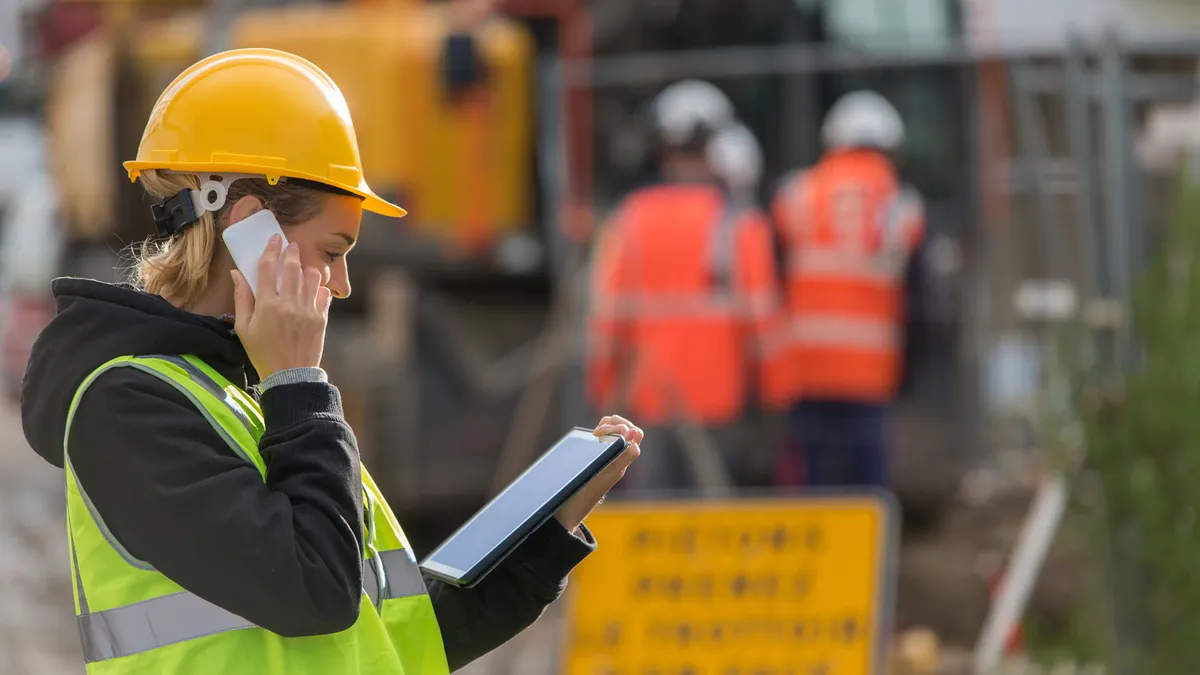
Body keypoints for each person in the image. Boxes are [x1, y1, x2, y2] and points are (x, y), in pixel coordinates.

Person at [19, 48, 643, 675]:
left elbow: (399, 643)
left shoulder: (246, 402)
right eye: (333, 249)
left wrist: (549, 533)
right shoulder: (126, 406)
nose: (343, 283)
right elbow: (319, 590)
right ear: (249, 229)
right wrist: (296, 382)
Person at [586, 81, 786, 492]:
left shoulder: (629, 220)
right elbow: (763, 328)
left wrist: (604, 394)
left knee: (655, 528)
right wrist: (776, 403)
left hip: (649, 406)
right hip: (719, 407)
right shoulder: (741, 225)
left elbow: (608, 324)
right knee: (712, 529)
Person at [770, 90, 925, 489]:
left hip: (806, 368)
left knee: (813, 484)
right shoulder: (901, 206)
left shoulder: (796, 195)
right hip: (870, 373)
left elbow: (771, 275)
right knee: (866, 489)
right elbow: (920, 299)